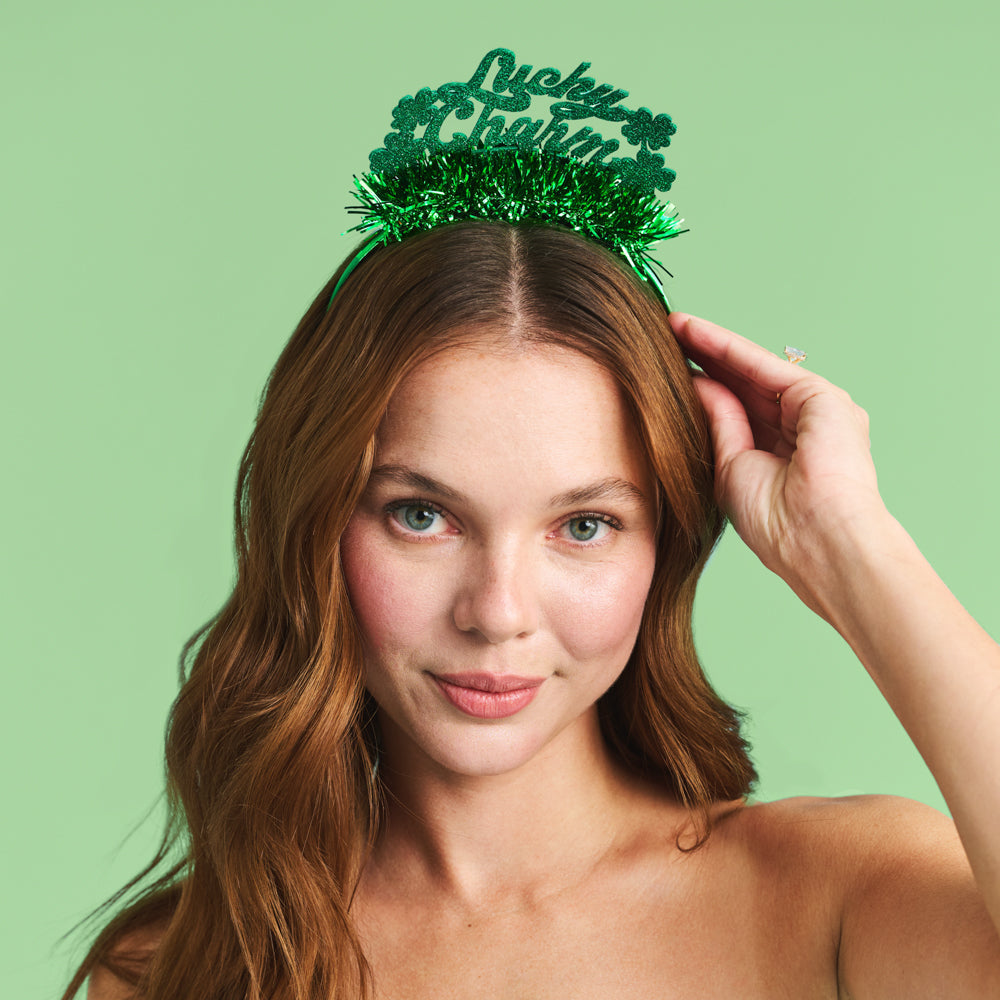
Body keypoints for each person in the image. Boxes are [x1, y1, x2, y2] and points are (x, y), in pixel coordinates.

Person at [69, 50, 1000, 1000]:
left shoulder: (836, 897)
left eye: (584, 526)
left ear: (665, 544)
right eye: (422, 516)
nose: (497, 613)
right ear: (316, 524)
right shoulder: (172, 968)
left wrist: (851, 548)